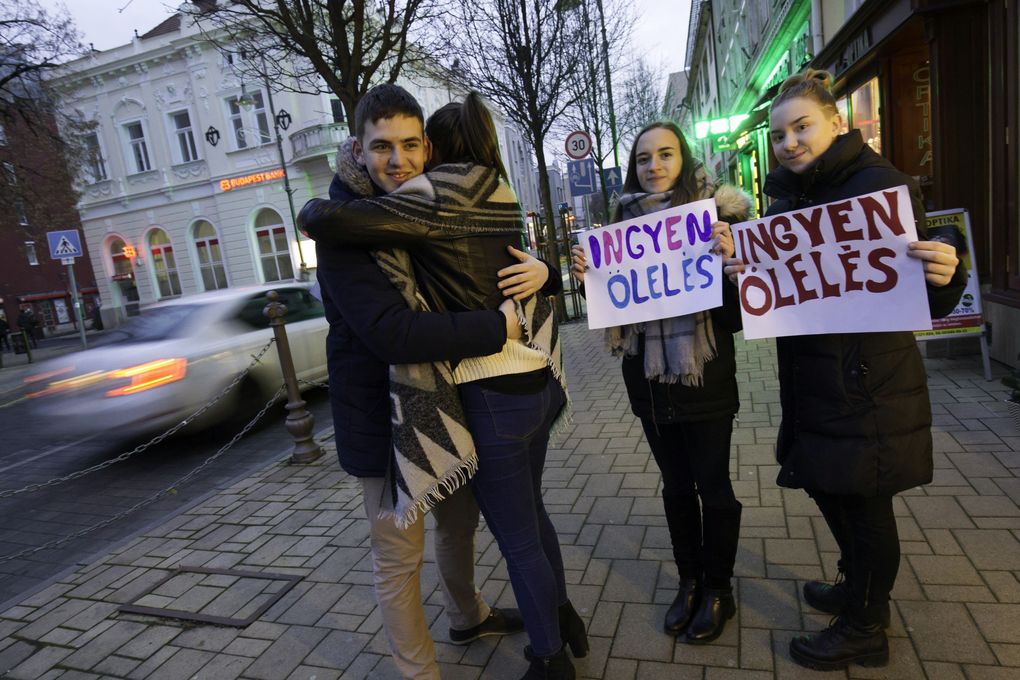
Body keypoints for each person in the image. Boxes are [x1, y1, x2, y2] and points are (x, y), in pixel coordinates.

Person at [300, 92, 585, 680]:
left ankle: (467, 615)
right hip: (384, 415)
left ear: (428, 147)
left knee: (460, 525)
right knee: (400, 555)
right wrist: (500, 326)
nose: (398, 159)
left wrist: (548, 272)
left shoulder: (425, 201)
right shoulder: (353, 228)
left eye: (410, 145)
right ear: (358, 148)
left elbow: (492, 255)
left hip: (448, 403)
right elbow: (393, 333)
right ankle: (421, 672)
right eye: (382, 146)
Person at [724, 69, 966, 671]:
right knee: (828, 486)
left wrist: (948, 275)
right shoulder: (785, 200)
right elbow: (770, 296)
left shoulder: (881, 187)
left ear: (836, 123)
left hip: (867, 382)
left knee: (865, 509)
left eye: (802, 127)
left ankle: (865, 625)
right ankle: (857, 586)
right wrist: (743, 274)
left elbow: (925, 293)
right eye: (779, 135)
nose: (790, 143)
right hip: (812, 380)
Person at [570, 121, 752, 645]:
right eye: (644, 158)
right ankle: (689, 581)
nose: (654, 166)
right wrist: (588, 279)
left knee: (714, 488)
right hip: (648, 381)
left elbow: (738, 318)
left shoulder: (719, 218)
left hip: (705, 377)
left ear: (683, 158)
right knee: (675, 487)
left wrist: (731, 266)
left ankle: (719, 588)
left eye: (666, 154)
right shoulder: (620, 225)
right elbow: (612, 311)